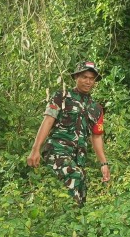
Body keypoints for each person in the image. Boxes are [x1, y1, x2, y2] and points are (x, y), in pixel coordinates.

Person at [27, 61, 111, 205]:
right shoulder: (62, 96)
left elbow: (96, 136)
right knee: (76, 176)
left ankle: (74, 223)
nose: (88, 81)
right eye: (84, 77)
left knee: (81, 190)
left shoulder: (96, 108)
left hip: (78, 157)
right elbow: (48, 121)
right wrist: (35, 149)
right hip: (56, 150)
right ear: (76, 77)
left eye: (92, 78)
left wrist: (103, 163)